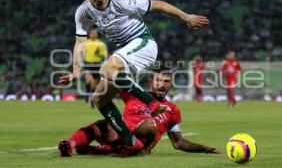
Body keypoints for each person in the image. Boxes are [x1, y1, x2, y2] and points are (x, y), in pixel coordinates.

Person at [58, 0, 209, 152]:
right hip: (127, 54)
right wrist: (76, 71)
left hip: (144, 44)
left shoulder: (123, 1)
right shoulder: (82, 12)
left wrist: (186, 17)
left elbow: (158, 4)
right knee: (99, 98)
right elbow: (80, 42)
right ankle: (129, 141)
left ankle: (151, 103)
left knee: (106, 68)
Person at [58, 66, 220, 156]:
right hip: (120, 134)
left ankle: (107, 150)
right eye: (159, 80)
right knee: (102, 125)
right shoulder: (135, 94)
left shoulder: (173, 110)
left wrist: (206, 149)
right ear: (151, 82)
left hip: (141, 143)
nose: (163, 84)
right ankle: (70, 145)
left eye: (167, 81)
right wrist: (85, 77)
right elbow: (113, 82)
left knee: (150, 124)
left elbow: (179, 143)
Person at [83, 28, 107, 108]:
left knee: (94, 84)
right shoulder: (85, 43)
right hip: (87, 63)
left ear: (97, 34)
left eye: (94, 33)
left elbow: (103, 55)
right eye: (91, 33)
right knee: (88, 80)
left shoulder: (100, 44)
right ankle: (87, 97)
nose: (93, 34)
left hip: (96, 64)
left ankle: (92, 98)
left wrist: (98, 53)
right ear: (89, 34)